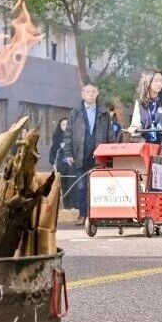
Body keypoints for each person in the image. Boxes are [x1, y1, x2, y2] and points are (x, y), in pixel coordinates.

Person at [127, 69, 162, 197]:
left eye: (161, 80)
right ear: (147, 82)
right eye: (156, 80)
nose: (160, 83)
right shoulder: (140, 102)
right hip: (149, 146)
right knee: (149, 177)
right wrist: (134, 128)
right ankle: (150, 205)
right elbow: (136, 123)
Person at [64, 84, 113, 225]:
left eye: (93, 91)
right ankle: (83, 214)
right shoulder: (75, 112)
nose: (90, 94)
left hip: (99, 154)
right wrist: (68, 153)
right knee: (81, 186)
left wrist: (112, 152)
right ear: (82, 94)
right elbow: (68, 134)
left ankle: (98, 214)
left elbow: (110, 133)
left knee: (99, 186)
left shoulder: (104, 113)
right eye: (87, 91)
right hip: (80, 154)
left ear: (97, 94)